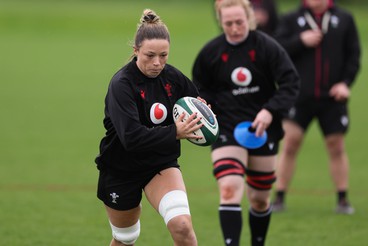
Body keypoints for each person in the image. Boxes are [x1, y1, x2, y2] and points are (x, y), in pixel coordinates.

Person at [192, 0, 300, 245]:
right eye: (228, 23)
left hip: (262, 127)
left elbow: (290, 83)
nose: (234, 28)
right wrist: (204, 108)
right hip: (227, 128)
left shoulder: (267, 47)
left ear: (249, 18)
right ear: (221, 22)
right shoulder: (210, 53)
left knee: (260, 199)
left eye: (239, 22)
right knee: (229, 189)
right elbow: (200, 90)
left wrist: (270, 111)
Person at [94, 9, 204, 246]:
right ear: (136, 51)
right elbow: (131, 138)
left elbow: (197, 103)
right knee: (125, 238)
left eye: (164, 55)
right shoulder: (121, 85)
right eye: (150, 55)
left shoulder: (173, 77)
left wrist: (204, 117)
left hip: (159, 164)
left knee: (182, 226)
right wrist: (175, 132)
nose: (157, 63)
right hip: (121, 168)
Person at [271, 0, 361, 215]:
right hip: (299, 96)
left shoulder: (345, 19)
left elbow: (353, 56)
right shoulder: (291, 19)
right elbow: (276, 49)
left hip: (332, 97)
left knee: (336, 146)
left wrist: (345, 83)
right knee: (290, 143)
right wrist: (300, 41)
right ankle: (279, 197)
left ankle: (342, 199)